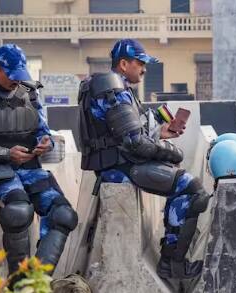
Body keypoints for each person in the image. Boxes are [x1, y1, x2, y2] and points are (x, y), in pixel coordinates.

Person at [77, 39, 210, 279]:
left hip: (120, 162)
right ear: (124, 63)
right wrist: (171, 152)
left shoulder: (116, 88)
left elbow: (126, 135)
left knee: (182, 184)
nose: (144, 69)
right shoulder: (112, 89)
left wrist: (160, 134)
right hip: (119, 168)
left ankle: (171, 255)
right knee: (193, 190)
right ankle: (173, 264)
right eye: (140, 63)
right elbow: (134, 143)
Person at [0, 44, 78, 279]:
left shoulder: (30, 95)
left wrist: (47, 143)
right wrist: (5, 154)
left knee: (64, 215)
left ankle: (38, 279)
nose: (16, 81)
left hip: (28, 167)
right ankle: (20, 282)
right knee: (19, 211)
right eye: (11, 75)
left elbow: (44, 131)